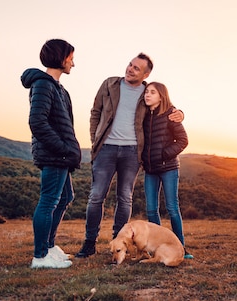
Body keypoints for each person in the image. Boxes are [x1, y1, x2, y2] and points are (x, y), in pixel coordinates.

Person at [75, 53, 184, 258]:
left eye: (136, 68)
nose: (130, 69)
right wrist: (95, 140)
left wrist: (181, 112)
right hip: (106, 149)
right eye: (130, 64)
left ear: (146, 74)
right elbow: (95, 112)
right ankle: (89, 243)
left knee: (124, 198)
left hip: (132, 152)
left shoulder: (147, 91)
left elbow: (165, 105)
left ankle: (119, 242)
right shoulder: (110, 84)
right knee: (96, 196)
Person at [21, 39, 81, 269]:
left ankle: (49, 246)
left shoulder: (57, 87)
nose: (73, 64)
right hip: (55, 154)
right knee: (49, 201)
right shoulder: (44, 85)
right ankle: (40, 256)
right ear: (61, 58)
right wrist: (63, 148)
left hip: (61, 155)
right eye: (71, 58)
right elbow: (37, 121)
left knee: (65, 197)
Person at [141, 82, 193, 259]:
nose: (148, 95)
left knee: (172, 207)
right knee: (151, 210)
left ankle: (181, 248)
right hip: (150, 169)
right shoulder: (144, 115)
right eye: (146, 92)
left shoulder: (171, 114)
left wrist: (164, 154)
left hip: (168, 168)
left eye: (152, 92)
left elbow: (183, 140)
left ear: (161, 96)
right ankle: (157, 247)